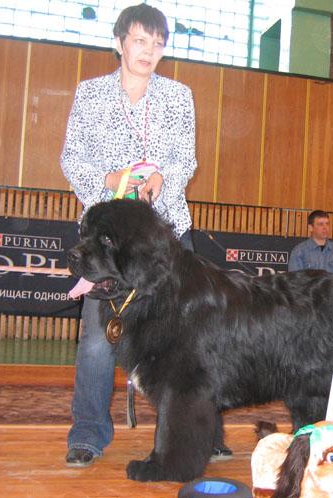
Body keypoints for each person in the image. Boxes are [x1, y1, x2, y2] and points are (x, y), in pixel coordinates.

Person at [60, 3, 226, 468]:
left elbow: (185, 159)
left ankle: (206, 433)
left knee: (193, 337)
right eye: (139, 40)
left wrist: (162, 181)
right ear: (118, 42)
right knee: (97, 340)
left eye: (157, 43)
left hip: (168, 236)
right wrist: (110, 181)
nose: (148, 50)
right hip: (109, 245)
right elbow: (73, 159)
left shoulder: (179, 96)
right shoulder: (90, 94)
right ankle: (89, 434)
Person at [288, 210, 333, 277]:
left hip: (332, 287)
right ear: (310, 228)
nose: (325, 227)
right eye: (320, 224)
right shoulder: (299, 251)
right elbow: (294, 281)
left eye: (327, 224)